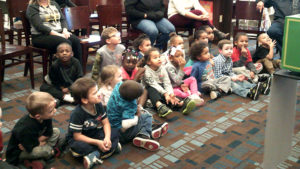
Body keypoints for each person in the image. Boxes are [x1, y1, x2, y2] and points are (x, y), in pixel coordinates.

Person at [68, 77, 120, 169]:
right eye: (95, 93)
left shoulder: (98, 104)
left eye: (97, 90)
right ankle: (110, 149)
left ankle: (96, 154)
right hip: (82, 138)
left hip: (95, 133)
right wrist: (98, 143)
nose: (99, 94)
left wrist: (107, 138)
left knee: (115, 130)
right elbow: (77, 136)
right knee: (77, 147)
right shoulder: (77, 113)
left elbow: (106, 123)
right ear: (84, 100)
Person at [107, 80, 168, 150]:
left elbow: (125, 85)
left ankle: (151, 128)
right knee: (146, 116)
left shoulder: (118, 87)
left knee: (143, 116)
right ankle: (144, 135)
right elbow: (125, 126)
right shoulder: (130, 106)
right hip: (122, 134)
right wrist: (137, 115)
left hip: (111, 126)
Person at [6, 92, 61, 167]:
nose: (55, 111)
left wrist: (38, 142)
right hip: (19, 152)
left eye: (54, 108)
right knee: (45, 151)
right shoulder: (25, 128)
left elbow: (49, 132)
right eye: (51, 111)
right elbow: (28, 147)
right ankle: (50, 152)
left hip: (32, 142)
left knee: (56, 131)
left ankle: (46, 153)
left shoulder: (47, 117)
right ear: (38, 116)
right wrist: (38, 143)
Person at [142, 48, 196, 117]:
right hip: (150, 92)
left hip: (162, 89)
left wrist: (171, 94)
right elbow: (153, 84)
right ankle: (160, 106)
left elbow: (167, 82)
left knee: (170, 96)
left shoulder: (162, 68)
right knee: (151, 88)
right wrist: (165, 94)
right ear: (149, 62)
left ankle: (181, 104)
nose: (159, 59)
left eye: (159, 57)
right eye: (155, 58)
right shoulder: (146, 70)